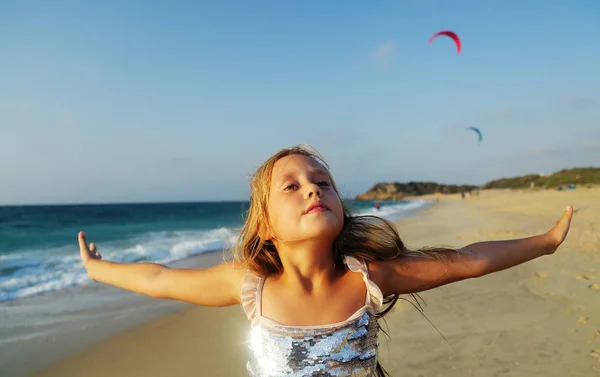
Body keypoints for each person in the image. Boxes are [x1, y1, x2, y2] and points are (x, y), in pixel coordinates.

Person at [78, 145, 573, 377]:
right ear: (266, 223)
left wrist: (545, 242)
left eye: (323, 181)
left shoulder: (368, 278)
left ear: (341, 203)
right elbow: (161, 278)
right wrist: (100, 269)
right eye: (291, 186)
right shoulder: (249, 285)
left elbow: (468, 260)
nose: (313, 186)